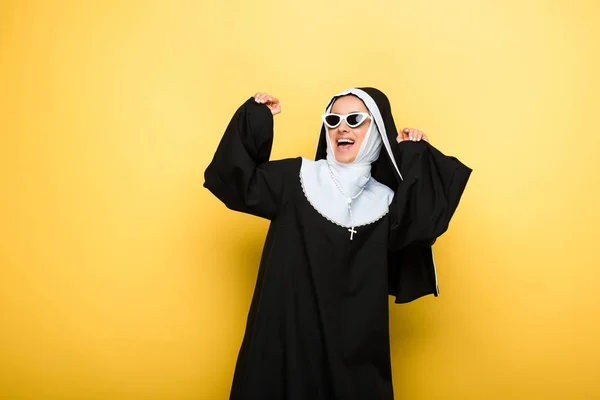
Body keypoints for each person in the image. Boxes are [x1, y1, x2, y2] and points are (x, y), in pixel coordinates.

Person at [204, 87, 472, 399]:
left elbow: (421, 227)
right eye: (333, 120)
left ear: (377, 129)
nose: (341, 127)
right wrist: (255, 119)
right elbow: (236, 182)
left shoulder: (388, 204)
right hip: (286, 346)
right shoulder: (297, 179)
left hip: (354, 359)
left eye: (355, 119)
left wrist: (416, 157)